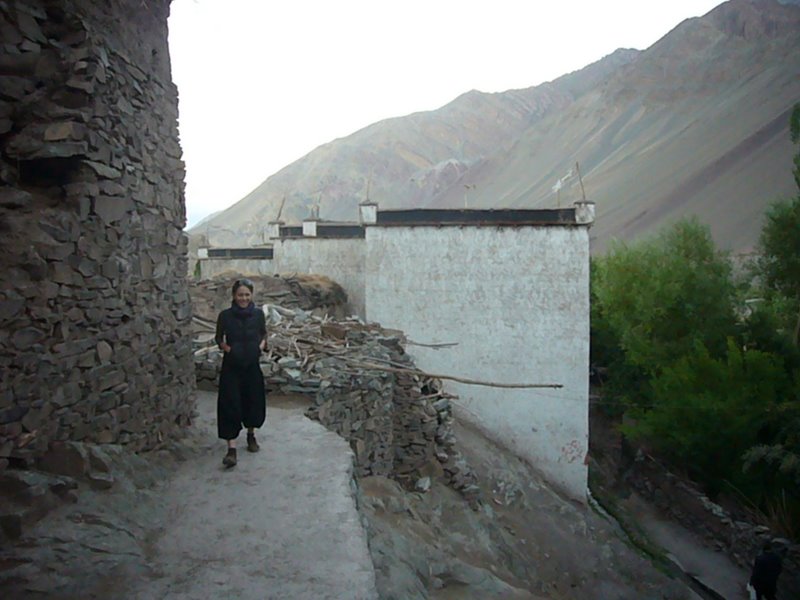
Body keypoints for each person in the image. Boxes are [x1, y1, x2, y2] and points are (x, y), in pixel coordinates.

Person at [215, 278, 267, 467]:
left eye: (246, 295)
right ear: (234, 296)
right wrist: (230, 350)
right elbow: (218, 338)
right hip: (232, 367)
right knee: (230, 404)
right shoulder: (225, 316)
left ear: (251, 295)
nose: (243, 298)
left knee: (253, 400)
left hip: (252, 366)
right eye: (240, 295)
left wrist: (259, 347)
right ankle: (231, 449)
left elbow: (263, 333)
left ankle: (251, 435)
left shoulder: (258, 315)